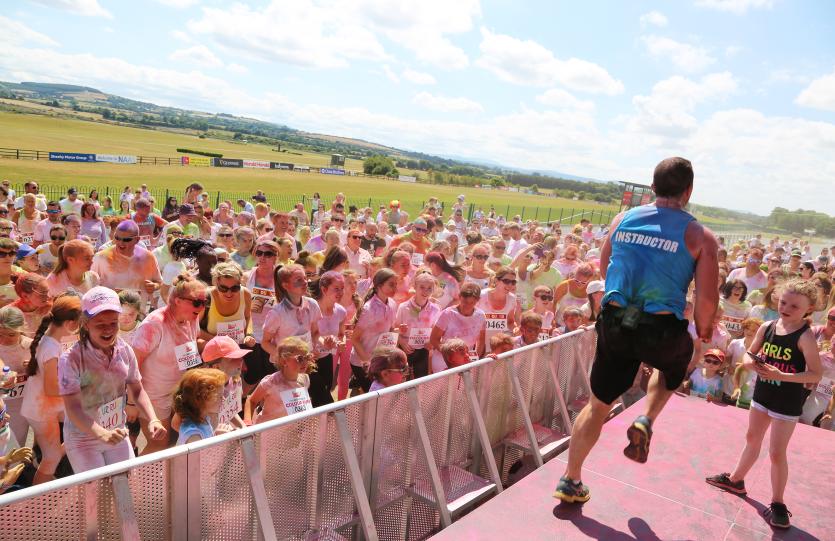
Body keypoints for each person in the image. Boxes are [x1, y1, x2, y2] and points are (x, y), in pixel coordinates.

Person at [555, 157, 719, 504]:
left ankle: (570, 480)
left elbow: (605, 265)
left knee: (598, 403)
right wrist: (703, 333)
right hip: (660, 327)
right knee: (673, 367)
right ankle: (646, 417)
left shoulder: (622, 219)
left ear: (653, 186)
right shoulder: (698, 235)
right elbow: (706, 298)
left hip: (615, 321)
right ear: (688, 192)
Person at [706, 279, 822, 529]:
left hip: (786, 402)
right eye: (783, 302)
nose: (786, 308)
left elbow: (815, 374)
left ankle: (778, 502)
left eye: (794, 305)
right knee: (752, 438)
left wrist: (782, 376)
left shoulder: (805, 336)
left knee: (777, 452)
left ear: (809, 308)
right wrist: (753, 364)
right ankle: (736, 480)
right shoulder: (768, 326)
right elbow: (749, 355)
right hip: (762, 395)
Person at [59, 287, 166, 472]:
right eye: (100, 324)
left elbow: (137, 388)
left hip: (117, 432)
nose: (108, 330)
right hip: (83, 439)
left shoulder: (125, 350)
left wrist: (153, 419)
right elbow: (73, 407)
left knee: (125, 488)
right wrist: (101, 434)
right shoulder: (70, 359)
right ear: (85, 323)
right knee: (97, 495)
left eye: (113, 323)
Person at [130, 275, 208, 455]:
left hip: (178, 393)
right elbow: (132, 364)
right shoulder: (154, 324)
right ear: (178, 300)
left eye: (205, 302)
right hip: (153, 396)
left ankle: (160, 479)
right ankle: (130, 482)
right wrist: (131, 403)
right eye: (197, 302)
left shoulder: (192, 318)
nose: (202, 307)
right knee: (159, 443)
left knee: (172, 442)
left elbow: (193, 342)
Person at [22, 295, 82, 484]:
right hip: (41, 411)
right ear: (71, 323)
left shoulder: (51, 341)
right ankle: (37, 499)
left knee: (76, 434)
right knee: (52, 457)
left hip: (48, 408)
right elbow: (51, 388)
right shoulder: (50, 348)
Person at [349, 269, 399, 393]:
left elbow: (390, 329)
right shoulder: (369, 309)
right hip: (363, 363)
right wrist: (368, 363)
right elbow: (354, 339)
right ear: (379, 285)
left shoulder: (392, 304)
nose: (395, 288)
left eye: (396, 284)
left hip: (381, 361)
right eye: (391, 284)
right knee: (372, 399)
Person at [244, 336, 314, 424]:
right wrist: (247, 424)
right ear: (284, 361)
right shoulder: (271, 382)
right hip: (268, 432)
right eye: (299, 359)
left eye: (307, 357)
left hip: (290, 433)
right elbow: (251, 401)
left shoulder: (305, 379)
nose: (304, 362)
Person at [92, 220, 162, 306]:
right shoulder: (102, 257)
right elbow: (91, 285)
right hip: (110, 314)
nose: (121, 243)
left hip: (138, 314)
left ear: (137, 240)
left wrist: (154, 286)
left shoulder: (148, 257)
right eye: (117, 238)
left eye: (126, 240)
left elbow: (159, 282)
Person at [430, 282, 486, 373]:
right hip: (444, 361)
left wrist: (475, 358)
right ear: (459, 296)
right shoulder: (448, 314)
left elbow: (481, 340)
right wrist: (450, 356)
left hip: (467, 361)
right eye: (465, 301)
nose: (467, 306)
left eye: (471, 302)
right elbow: (433, 339)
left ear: (478, 300)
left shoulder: (481, 315)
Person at [395, 272, 441, 379]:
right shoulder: (403, 307)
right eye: (422, 287)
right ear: (415, 286)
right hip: (405, 348)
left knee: (421, 379)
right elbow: (394, 329)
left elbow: (436, 330)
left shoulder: (435, 309)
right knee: (402, 379)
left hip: (424, 350)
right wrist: (402, 341)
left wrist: (431, 342)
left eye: (429, 288)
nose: (426, 291)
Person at [310, 271, 346, 406]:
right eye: (336, 289)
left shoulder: (341, 311)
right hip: (309, 360)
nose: (341, 292)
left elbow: (341, 334)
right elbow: (312, 333)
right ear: (324, 289)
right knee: (324, 400)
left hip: (327, 358)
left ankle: (318, 426)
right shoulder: (311, 308)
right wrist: (321, 342)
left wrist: (341, 342)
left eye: (342, 288)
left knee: (326, 391)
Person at [0, 306, 34, 445]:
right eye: (0, 334)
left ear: (21, 329)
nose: (4, 340)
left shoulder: (31, 346)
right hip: (4, 405)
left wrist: (35, 366)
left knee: (17, 443)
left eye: (11, 335)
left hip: (25, 403)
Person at [201, 336, 249, 430]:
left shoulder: (236, 381)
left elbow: (229, 411)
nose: (241, 360)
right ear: (217, 367)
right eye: (233, 358)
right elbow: (177, 424)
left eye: (240, 356)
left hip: (224, 435)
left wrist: (242, 426)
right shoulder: (201, 390)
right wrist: (212, 432)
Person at [172, 368, 229, 444]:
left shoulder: (204, 418)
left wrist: (216, 435)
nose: (224, 400)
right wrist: (221, 440)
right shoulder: (194, 435)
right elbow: (205, 455)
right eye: (220, 397)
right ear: (201, 399)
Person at [477, 266, 519, 352]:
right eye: (506, 281)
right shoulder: (481, 296)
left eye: (513, 282)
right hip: (478, 346)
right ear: (496, 280)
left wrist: (515, 330)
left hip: (498, 349)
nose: (510, 285)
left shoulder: (512, 299)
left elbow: (510, 321)